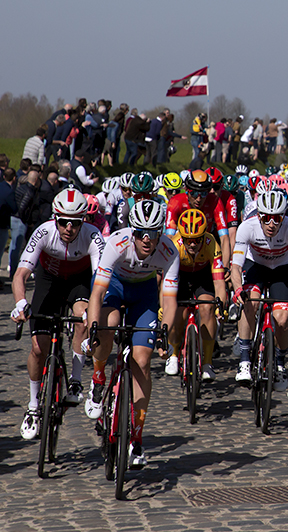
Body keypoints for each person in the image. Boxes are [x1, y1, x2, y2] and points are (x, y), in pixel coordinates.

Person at [84, 200, 177, 470]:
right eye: (140, 233)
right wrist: (92, 329)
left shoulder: (169, 250)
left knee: (143, 361)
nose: (146, 240)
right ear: (132, 231)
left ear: (161, 232)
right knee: (108, 323)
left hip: (144, 293)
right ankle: (99, 376)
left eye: (153, 233)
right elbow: (97, 294)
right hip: (114, 285)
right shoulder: (116, 242)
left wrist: (164, 335)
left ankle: (136, 438)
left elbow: (169, 301)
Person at [10, 189, 105, 439]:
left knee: (82, 317)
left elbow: (100, 280)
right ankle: (32, 407)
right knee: (38, 350)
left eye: (75, 223)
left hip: (79, 281)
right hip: (48, 280)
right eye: (63, 222)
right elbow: (20, 275)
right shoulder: (43, 231)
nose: (69, 228)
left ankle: (75, 379)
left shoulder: (93, 236)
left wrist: (95, 312)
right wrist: (20, 303)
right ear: (56, 218)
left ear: (83, 220)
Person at [231, 189, 288, 397]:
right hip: (255, 265)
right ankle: (245, 360)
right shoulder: (247, 227)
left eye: (277, 218)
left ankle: (280, 362)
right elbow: (236, 266)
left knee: (283, 319)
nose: (271, 223)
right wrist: (238, 289)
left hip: (281, 269)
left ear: (284, 216)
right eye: (266, 218)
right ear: (259, 215)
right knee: (250, 302)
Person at [166, 209, 226, 381]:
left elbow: (219, 282)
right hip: (180, 276)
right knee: (178, 312)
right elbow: (166, 282)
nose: (192, 245)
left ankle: (207, 363)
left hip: (203, 275)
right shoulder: (174, 245)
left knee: (208, 308)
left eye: (197, 240)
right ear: (182, 238)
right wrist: (164, 307)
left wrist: (220, 305)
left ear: (204, 236)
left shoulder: (211, 242)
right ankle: (174, 354)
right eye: (188, 241)